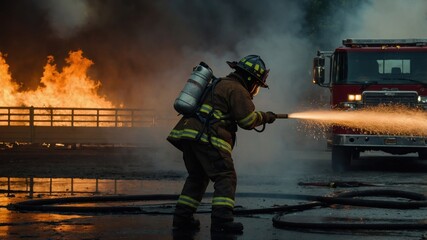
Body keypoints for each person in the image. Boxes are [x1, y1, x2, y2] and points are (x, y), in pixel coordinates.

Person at [167, 55, 277, 234]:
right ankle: (222, 221)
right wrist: (266, 117)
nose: (256, 88)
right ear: (250, 79)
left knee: (197, 177)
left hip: (189, 135)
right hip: (208, 138)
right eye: (257, 84)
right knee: (225, 176)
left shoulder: (219, 83)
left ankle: (182, 218)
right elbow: (247, 120)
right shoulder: (237, 89)